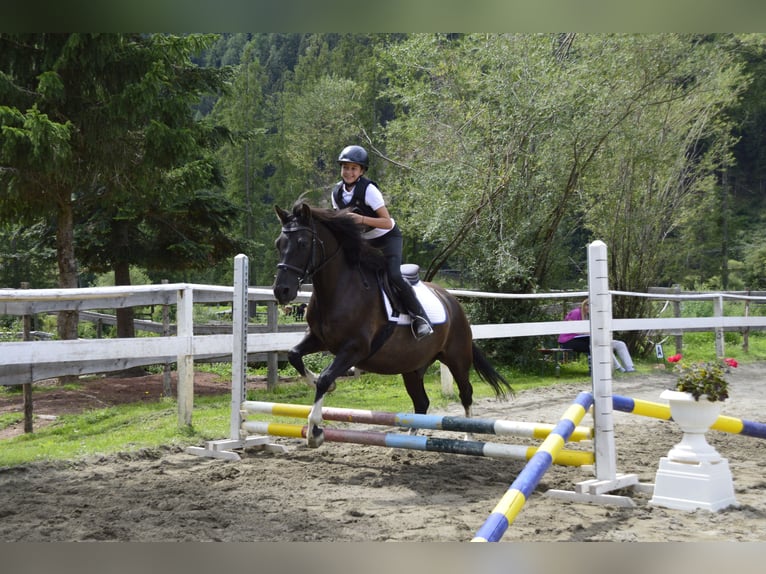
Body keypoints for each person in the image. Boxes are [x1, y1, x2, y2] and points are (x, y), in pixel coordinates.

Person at [330, 144, 433, 339]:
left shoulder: (369, 190)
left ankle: (420, 318)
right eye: (345, 167)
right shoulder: (337, 192)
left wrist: (360, 219)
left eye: (353, 168)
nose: (348, 172)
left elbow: (386, 222)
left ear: (361, 171)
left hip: (387, 237)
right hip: (364, 241)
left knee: (394, 275)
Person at [558, 298, 635, 373]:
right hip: (569, 340)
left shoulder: (593, 315)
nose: (589, 308)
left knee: (620, 344)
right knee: (602, 346)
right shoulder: (576, 312)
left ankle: (629, 368)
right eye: (587, 305)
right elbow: (570, 327)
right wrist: (587, 333)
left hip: (588, 339)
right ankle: (618, 368)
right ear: (584, 305)